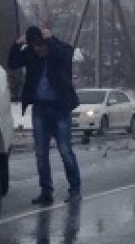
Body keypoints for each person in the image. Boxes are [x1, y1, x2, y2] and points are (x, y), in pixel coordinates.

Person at [8, 25, 82, 203]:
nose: (38, 51)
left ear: (47, 44)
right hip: (40, 109)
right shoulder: (32, 56)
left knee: (65, 150)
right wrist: (18, 43)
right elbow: (12, 63)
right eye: (35, 47)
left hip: (60, 109)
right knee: (41, 153)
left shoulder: (59, 52)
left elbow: (67, 54)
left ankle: (75, 189)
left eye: (41, 47)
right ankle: (46, 191)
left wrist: (50, 40)